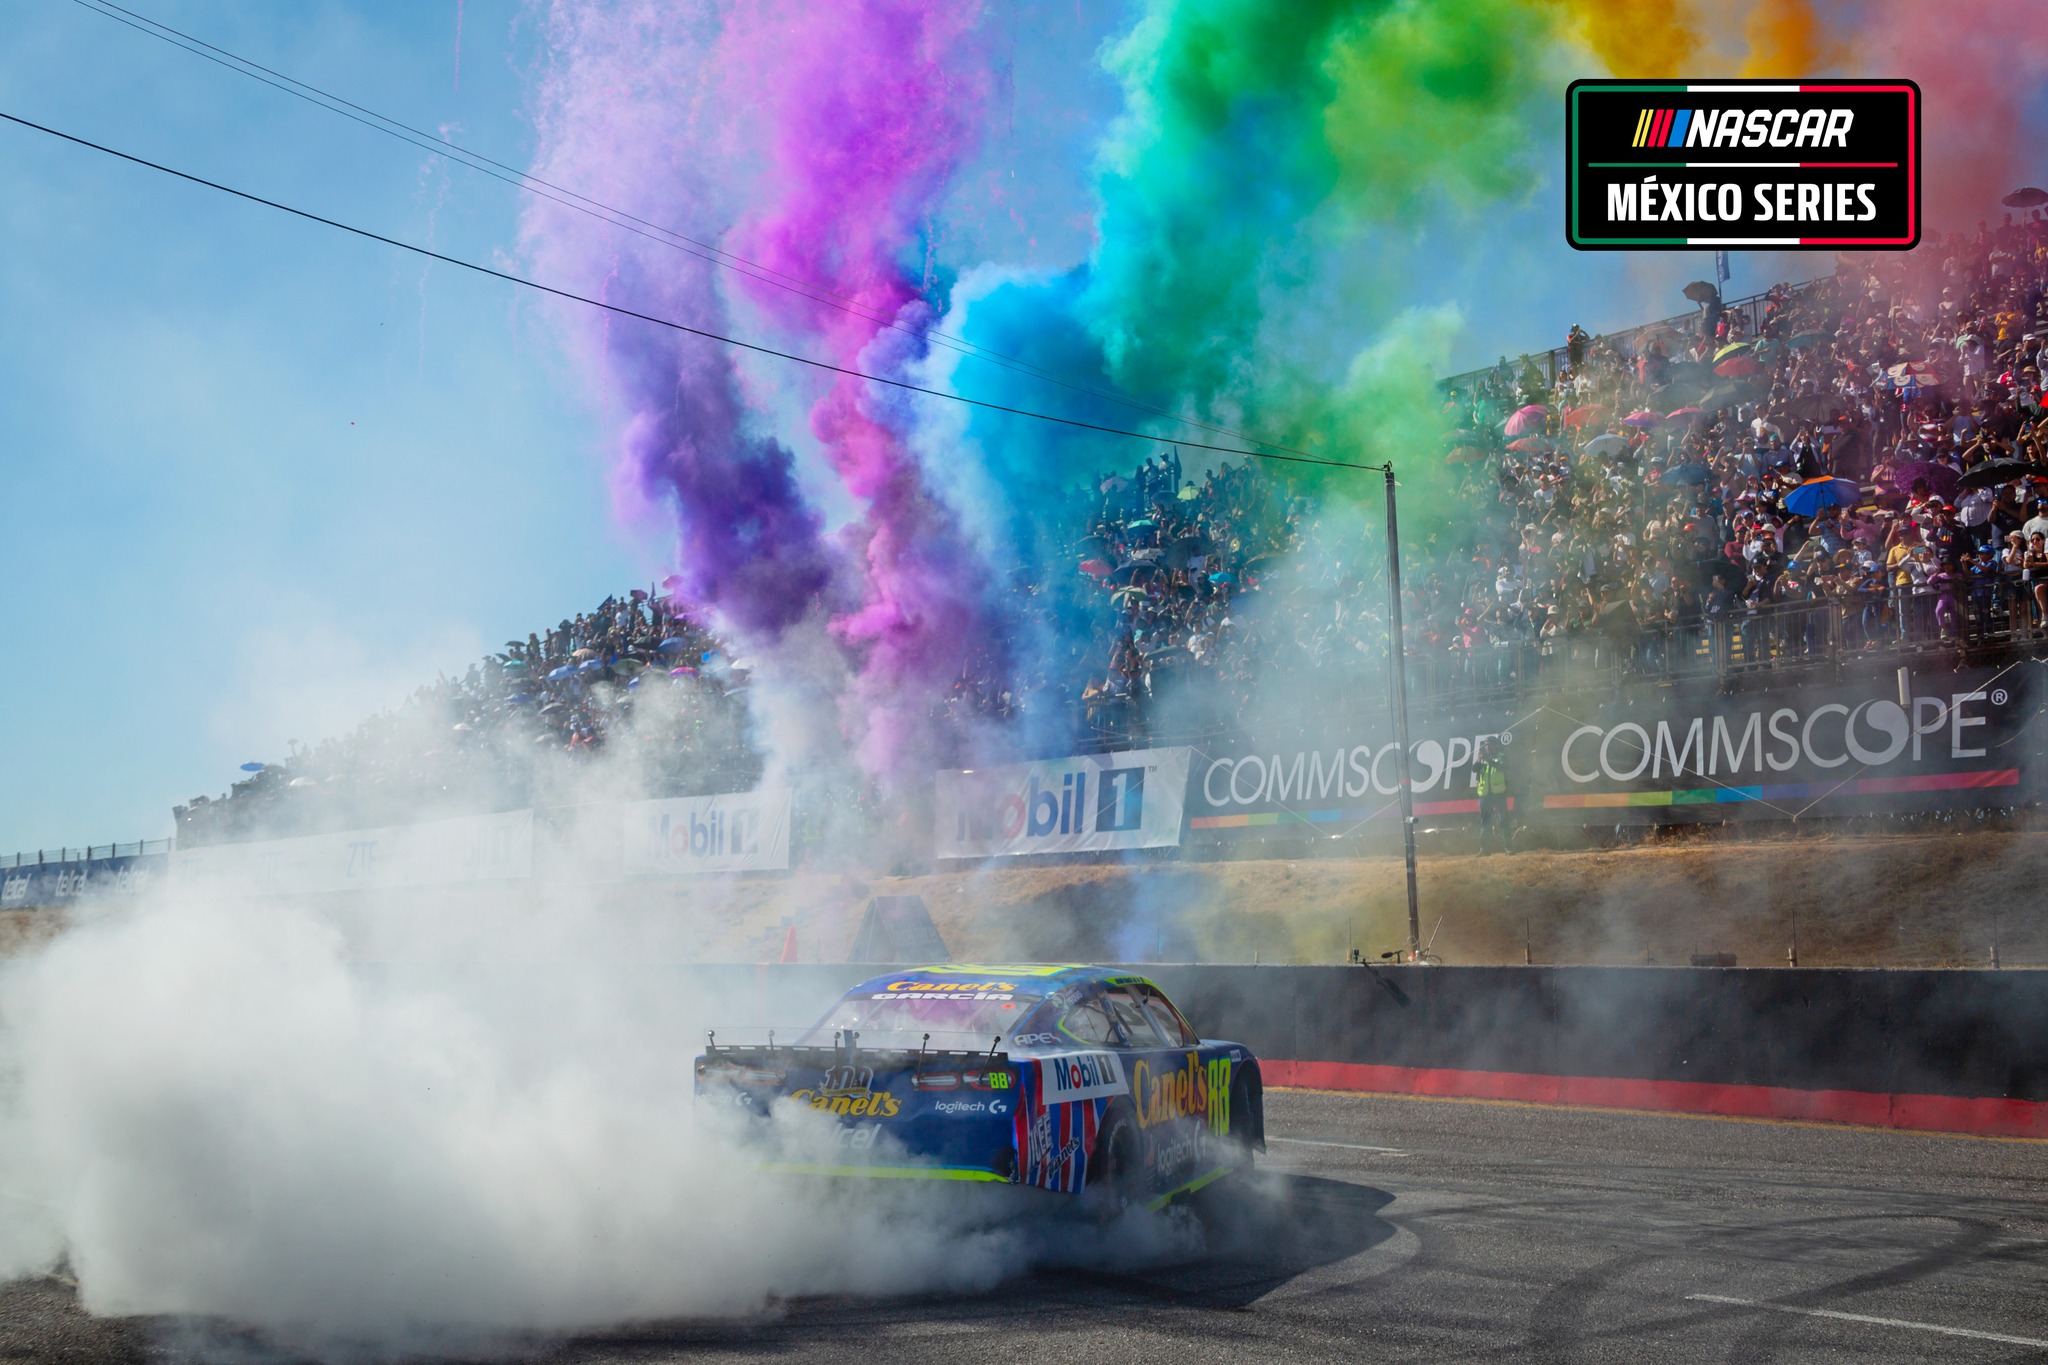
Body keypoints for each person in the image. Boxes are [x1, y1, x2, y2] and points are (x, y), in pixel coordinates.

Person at [1474, 737, 1512, 854]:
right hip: (1485, 794)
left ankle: (1508, 847)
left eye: (1489, 744)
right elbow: (1474, 769)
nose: (1487, 747)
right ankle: (1484, 849)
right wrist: (1479, 760)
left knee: (1503, 821)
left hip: (1498, 793)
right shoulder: (1482, 758)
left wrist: (1489, 760)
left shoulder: (1502, 756)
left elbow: (1503, 767)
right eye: (1485, 744)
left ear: (1496, 745)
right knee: (1485, 822)